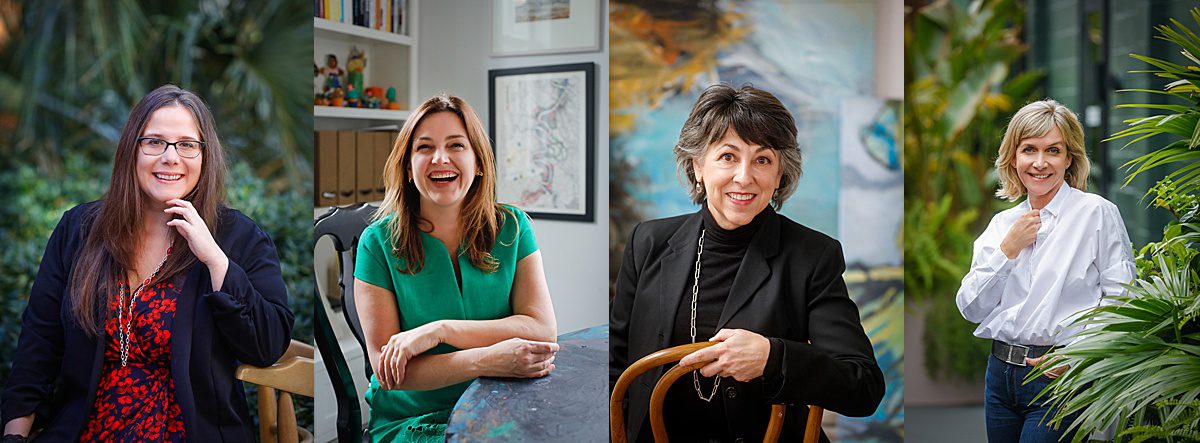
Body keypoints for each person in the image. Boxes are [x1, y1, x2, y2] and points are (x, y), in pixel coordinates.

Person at [0, 84, 294, 442]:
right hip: (86, 429)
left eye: (187, 144)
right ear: (131, 151)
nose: (170, 157)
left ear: (205, 156)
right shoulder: (78, 230)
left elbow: (267, 346)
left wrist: (216, 261)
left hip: (190, 431)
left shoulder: (240, 238)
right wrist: (15, 435)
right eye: (154, 142)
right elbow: (39, 342)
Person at [610, 84, 885, 442]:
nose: (744, 176)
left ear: (779, 174)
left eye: (762, 160)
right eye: (727, 156)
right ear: (697, 166)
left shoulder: (813, 256)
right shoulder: (647, 242)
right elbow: (615, 365)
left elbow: (863, 386)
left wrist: (773, 358)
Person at [354, 93, 559, 442]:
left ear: (478, 161)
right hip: (414, 419)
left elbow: (541, 330)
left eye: (456, 145)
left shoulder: (514, 227)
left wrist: (440, 330)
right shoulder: (376, 244)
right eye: (424, 147)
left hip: (504, 403)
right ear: (407, 167)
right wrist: (488, 359)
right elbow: (391, 373)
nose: (440, 158)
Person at [956, 99, 1135, 443]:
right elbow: (971, 308)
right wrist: (1008, 251)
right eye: (1029, 150)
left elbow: (1122, 301)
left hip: (1059, 376)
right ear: (1013, 158)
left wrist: (1078, 355)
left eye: (1052, 150)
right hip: (999, 376)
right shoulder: (1002, 226)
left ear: (1069, 158)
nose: (1039, 163)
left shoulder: (1096, 214)